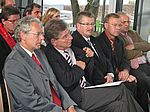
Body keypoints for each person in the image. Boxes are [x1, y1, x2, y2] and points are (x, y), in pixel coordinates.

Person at [43, 19, 144, 112]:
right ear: (54, 41)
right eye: (65, 36)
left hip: (88, 88)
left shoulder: (71, 48)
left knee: (120, 105)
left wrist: (88, 56)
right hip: (78, 97)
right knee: (121, 90)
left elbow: (88, 60)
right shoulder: (51, 55)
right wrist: (78, 67)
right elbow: (66, 81)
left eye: (69, 33)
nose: (71, 37)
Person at [3, 16, 84, 112]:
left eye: (42, 34)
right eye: (38, 34)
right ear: (23, 35)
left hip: (57, 105)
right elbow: (30, 100)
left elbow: (54, 82)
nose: (42, 38)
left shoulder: (39, 52)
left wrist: (69, 104)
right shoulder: (13, 64)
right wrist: (59, 110)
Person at [96, 13, 149, 112]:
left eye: (119, 25)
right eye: (114, 25)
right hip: (107, 76)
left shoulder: (119, 40)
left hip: (122, 72)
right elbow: (106, 64)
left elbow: (124, 59)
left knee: (136, 83)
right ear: (106, 26)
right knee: (134, 83)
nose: (118, 28)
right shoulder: (99, 41)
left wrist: (125, 70)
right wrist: (121, 74)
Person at [118, 11, 150, 90]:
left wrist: (134, 46)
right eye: (124, 22)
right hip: (133, 67)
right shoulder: (117, 36)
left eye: (128, 22)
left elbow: (148, 45)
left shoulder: (133, 33)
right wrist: (141, 52)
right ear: (117, 23)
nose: (127, 24)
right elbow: (126, 54)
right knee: (145, 80)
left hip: (145, 63)